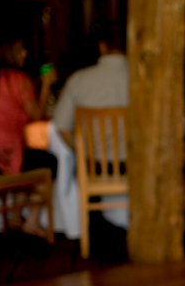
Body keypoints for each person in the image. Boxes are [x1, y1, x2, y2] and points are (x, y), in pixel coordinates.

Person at [0, 34, 58, 238]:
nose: (25, 53)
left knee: (30, 157)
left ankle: (16, 217)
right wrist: (45, 84)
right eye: (21, 49)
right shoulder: (18, 80)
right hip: (4, 159)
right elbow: (37, 117)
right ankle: (32, 220)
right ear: (9, 52)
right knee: (49, 162)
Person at [49, 22, 130, 235]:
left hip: (95, 164)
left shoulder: (79, 80)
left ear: (101, 47)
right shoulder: (143, 79)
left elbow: (61, 128)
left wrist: (85, 151)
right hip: (135, 164)